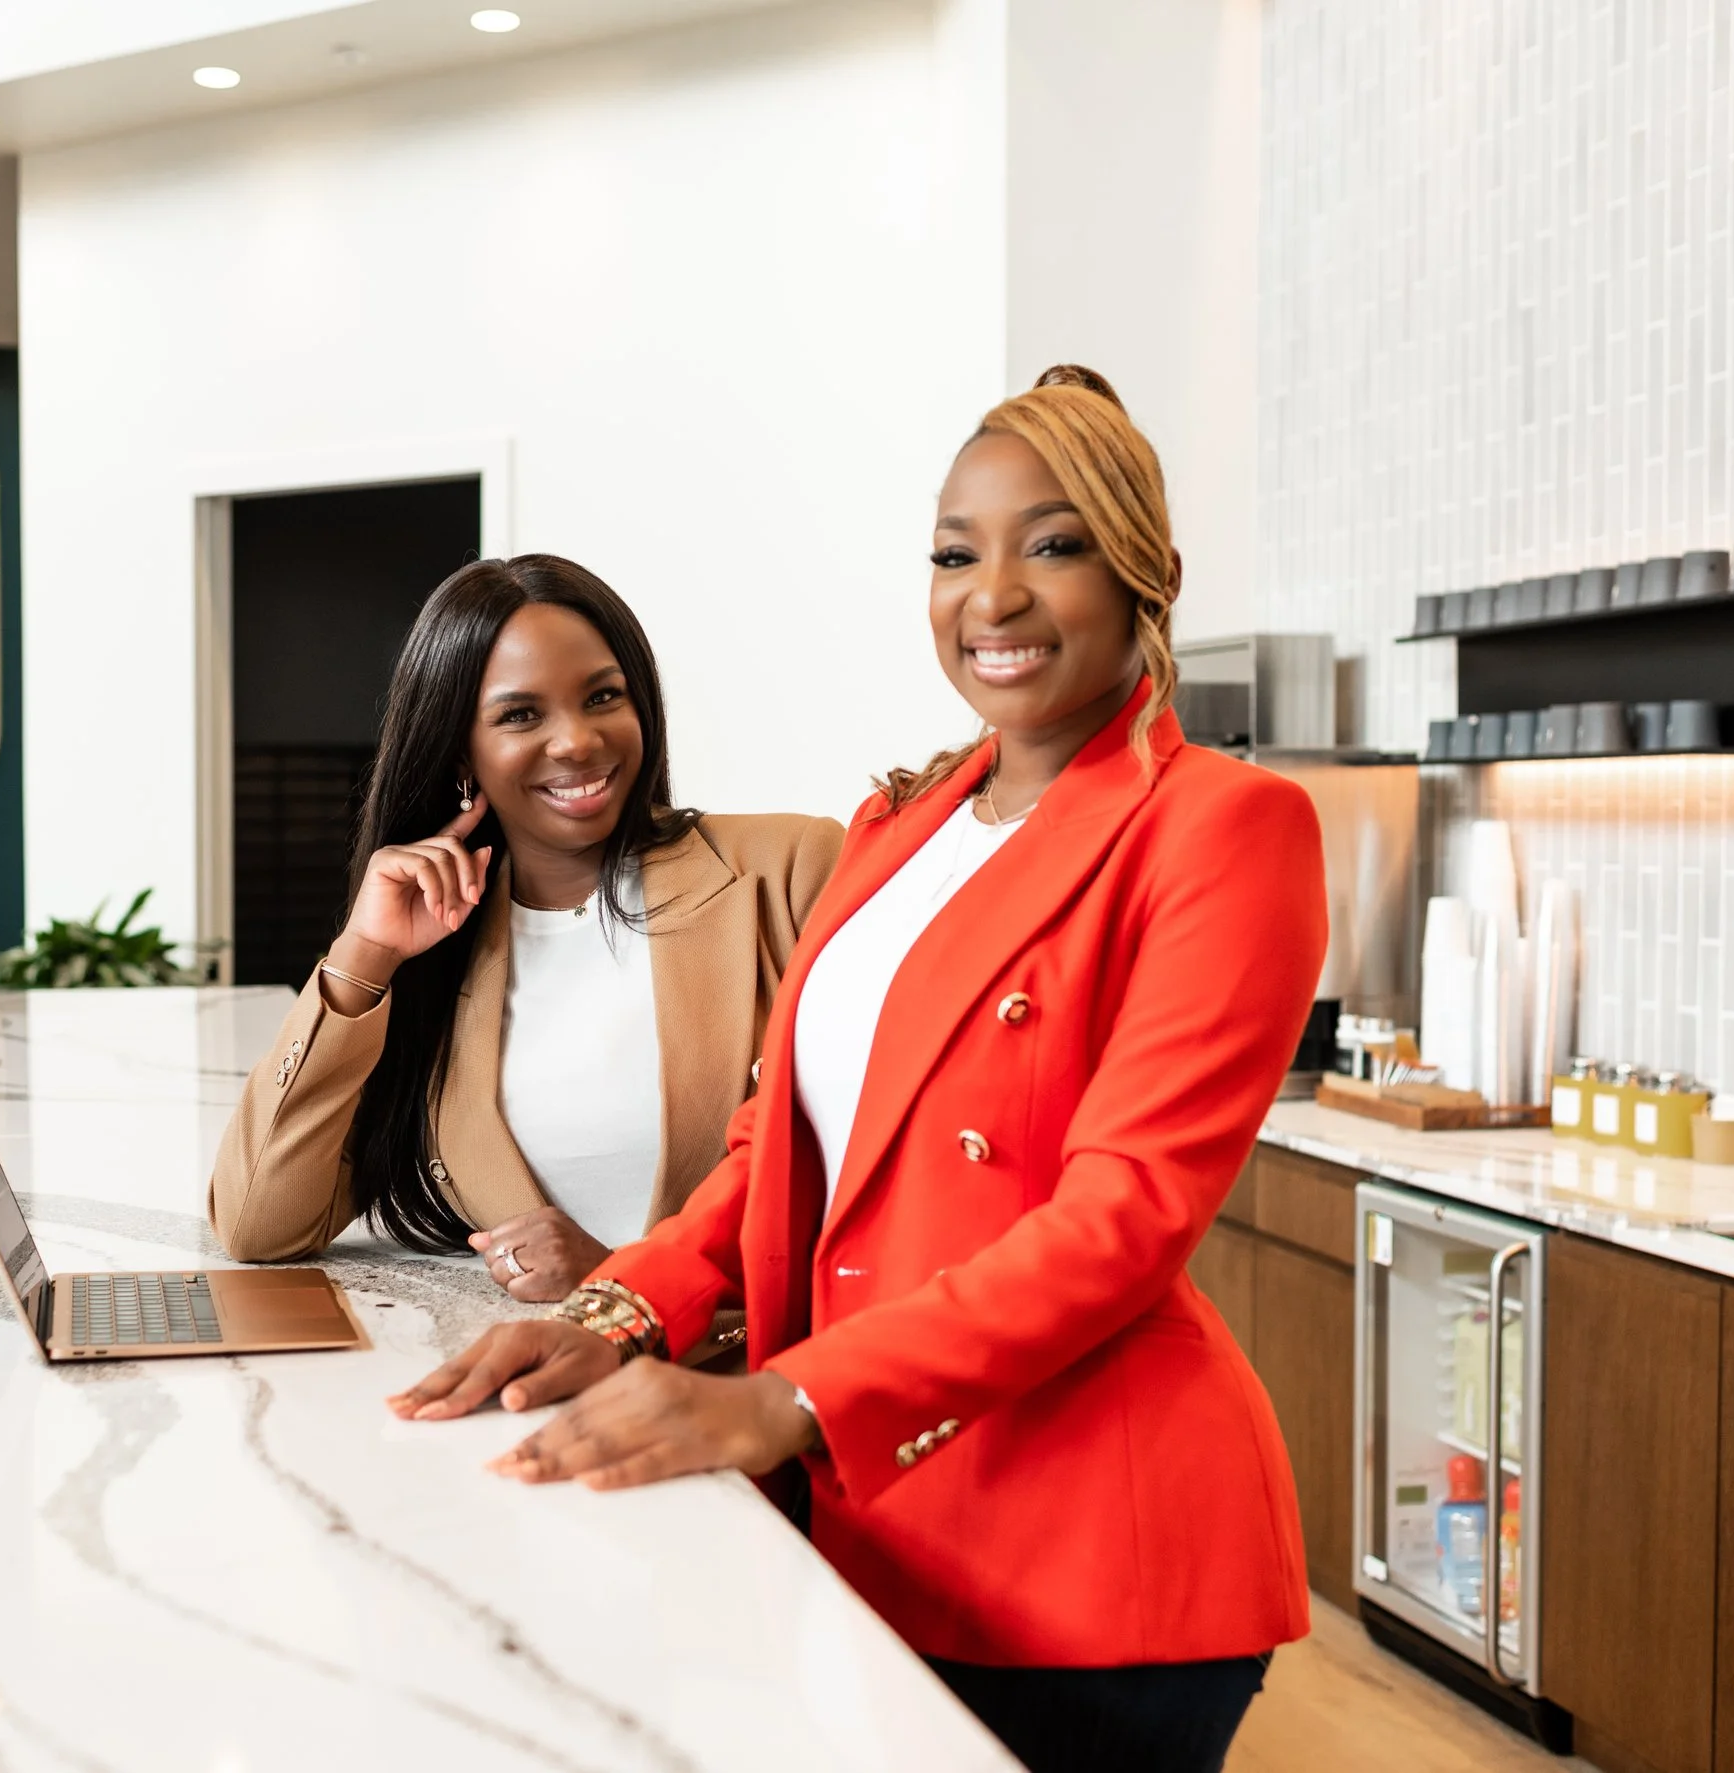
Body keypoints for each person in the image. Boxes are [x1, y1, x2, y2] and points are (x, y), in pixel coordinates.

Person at [389, 370, 1328, 1772]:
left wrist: (788, 1397)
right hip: (875, 1507)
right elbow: (778, 1142)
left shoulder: (1224, 827)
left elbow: (1122, 1220)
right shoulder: (899, 825)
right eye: (957, 552)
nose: (993, 595)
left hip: (1090, 1552)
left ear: (1153, 573)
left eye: (1053, 544)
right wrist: (619, 1306)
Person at [209, 554, 842, 1305]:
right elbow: (259, 1224)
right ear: (458, 752)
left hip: (747, 1389)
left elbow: (891, 1183)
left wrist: (627, 1279)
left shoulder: (791, 870)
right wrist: (364, 954)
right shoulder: (436, 956)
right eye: (520, 714)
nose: (576, 741)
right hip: (523, 1392)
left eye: (603, 696)